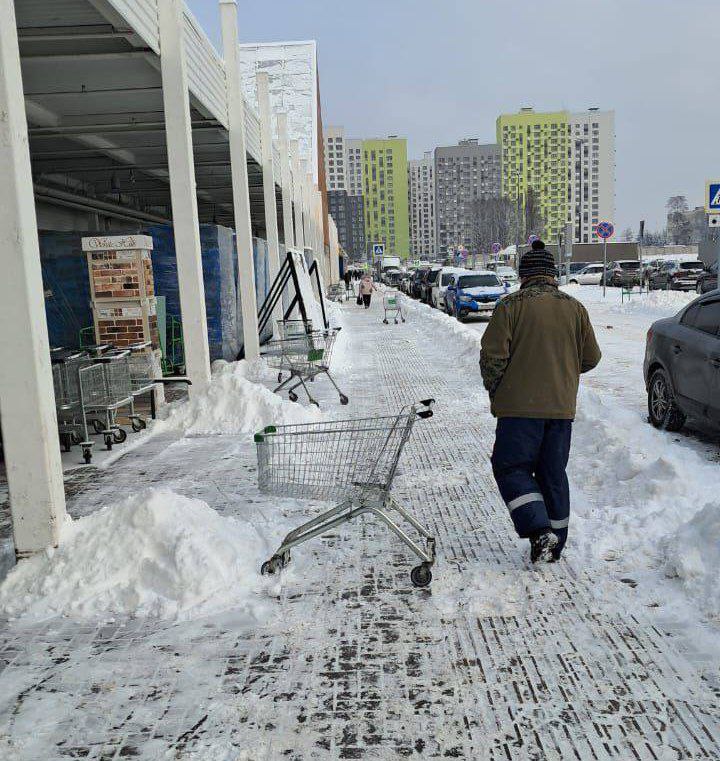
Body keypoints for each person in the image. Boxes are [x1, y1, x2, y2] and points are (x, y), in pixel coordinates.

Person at [479, 240, 601, 564]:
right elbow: (591, 358)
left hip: (518, 410)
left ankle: (538, 529)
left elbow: (492, 358)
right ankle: (554, 545)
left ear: (524, 275)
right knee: (552, 474)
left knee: (511, 467)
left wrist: (496, 389)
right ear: (552, 274)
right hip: (561, 411)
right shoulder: (575, 309)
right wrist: (563, 370)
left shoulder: (511, 306)